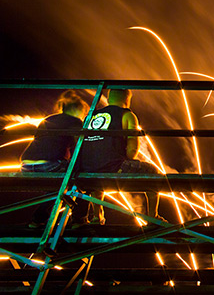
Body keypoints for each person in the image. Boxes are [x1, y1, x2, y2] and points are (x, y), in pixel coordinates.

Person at [74, 89, 161, 225]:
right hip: (113, 167)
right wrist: (127, 161)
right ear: (127, 100)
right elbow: (132, 147)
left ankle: (97, 216)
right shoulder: (127, 115)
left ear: (108, 99)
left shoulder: (91, 116)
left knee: (97, 179)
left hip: (87, 168)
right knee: (153, 173)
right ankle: (153, 218)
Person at [21, 90, 88, 227]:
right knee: (83, 177)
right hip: (49, 164)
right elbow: (79, 147)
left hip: (26, 164)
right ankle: (79, 218)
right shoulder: (75, 121)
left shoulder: (48, 119)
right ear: (77, 110)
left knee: (57, 185)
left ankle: (38, 219)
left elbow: (44, 142)